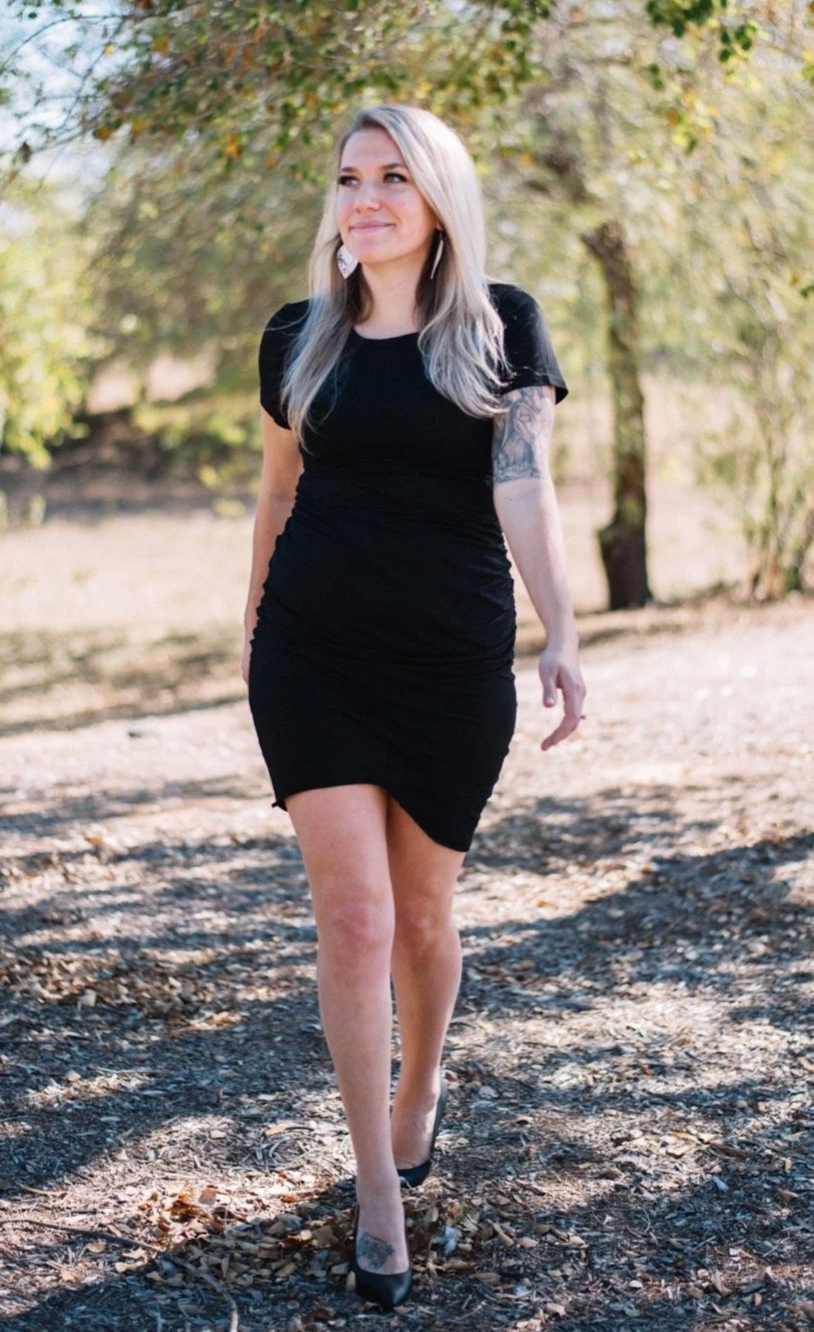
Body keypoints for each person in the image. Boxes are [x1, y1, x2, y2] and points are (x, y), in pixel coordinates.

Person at [242, 103, 586, 1309]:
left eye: (393, 176)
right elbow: (275, 492)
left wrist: (562, 629)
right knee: (354, 918)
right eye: (349, 178)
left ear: (438, 197)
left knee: (424, 917)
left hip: (446, 660)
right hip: (311, 655)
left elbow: (524, 487)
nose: (367, 197)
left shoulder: (502, 327)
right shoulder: (300, 336)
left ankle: (419, 1088)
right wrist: (251, 632)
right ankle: (375, 1197)